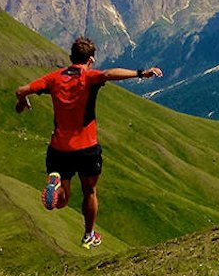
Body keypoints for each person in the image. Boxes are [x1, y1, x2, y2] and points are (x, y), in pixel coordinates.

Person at [15, 36, 162, 248]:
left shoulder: (54, 78)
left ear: (70, 57)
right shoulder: (88, 77)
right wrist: (141, 73)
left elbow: (21, 90)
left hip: (59, 149)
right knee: (89, 192)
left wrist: (23, 101)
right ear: (91, 60)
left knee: (61, 201)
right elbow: (108, 74)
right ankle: (88, 235)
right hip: (86, 148)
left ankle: (56, 183)